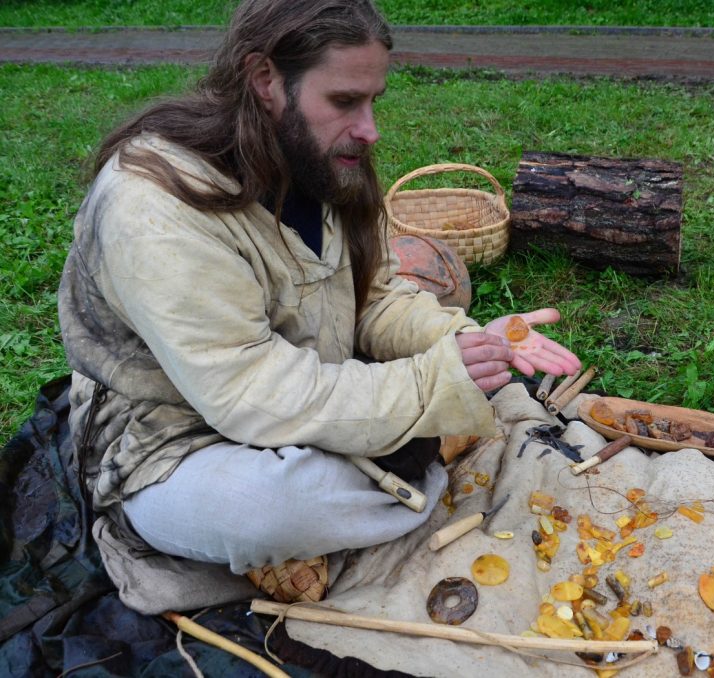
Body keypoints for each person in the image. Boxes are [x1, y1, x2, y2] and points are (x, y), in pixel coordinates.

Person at [57, 0, 580, 586]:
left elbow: (374, 299)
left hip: (311, 385)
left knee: (398, 420)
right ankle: (411, 456)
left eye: (373, 100)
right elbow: (248, 390)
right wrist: (431, 384)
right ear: (265, 80)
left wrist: (461, 341)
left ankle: (396, 454)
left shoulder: (328, 158)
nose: (370, 129)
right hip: (174, 435)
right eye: (344, 101)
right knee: (265, 510)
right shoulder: (155, 204)